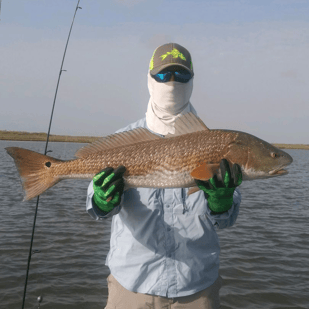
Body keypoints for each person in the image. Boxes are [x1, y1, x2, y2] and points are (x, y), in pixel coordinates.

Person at [86, 43, 242, 309]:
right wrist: (102, 201)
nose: (171, 83)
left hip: (197, 284)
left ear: (192, 81)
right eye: (163, 75)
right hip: (132, 284)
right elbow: (96, 207)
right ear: (149, 79)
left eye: (180, 76)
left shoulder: (214, 142)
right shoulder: (125, 141)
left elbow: (226, 220)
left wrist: (222, 203)